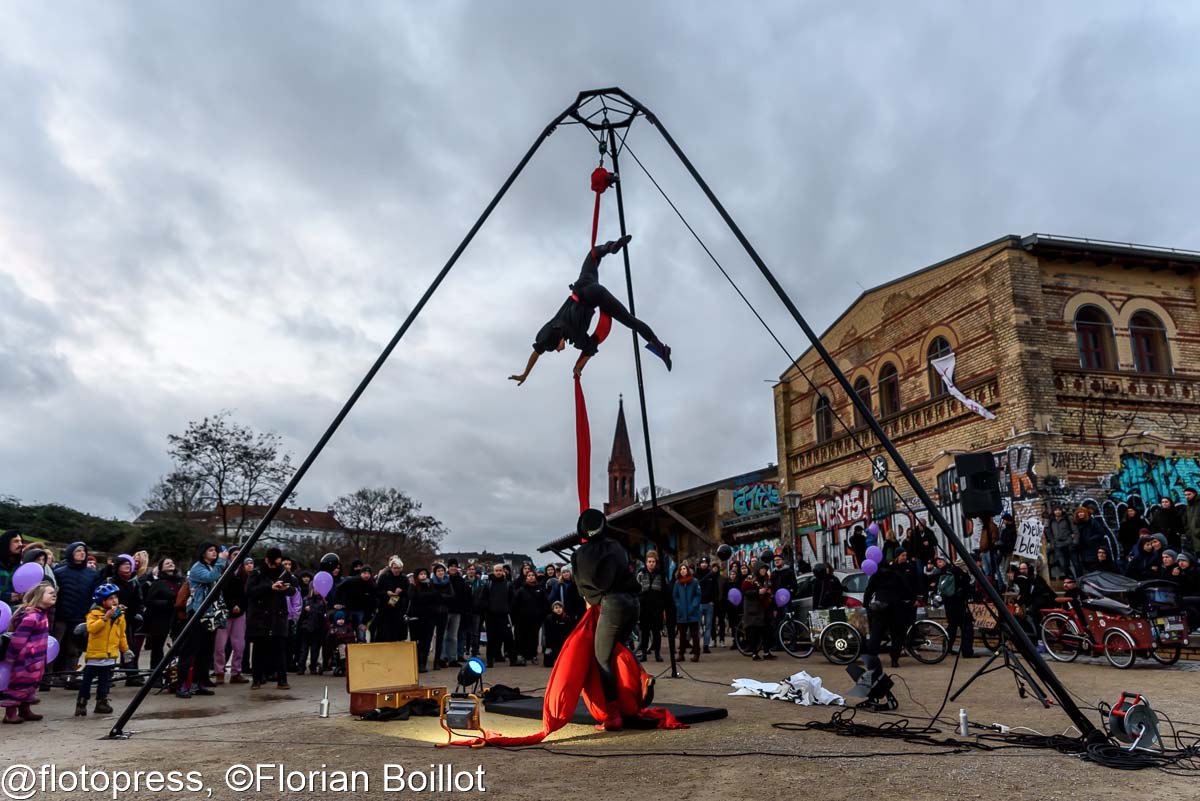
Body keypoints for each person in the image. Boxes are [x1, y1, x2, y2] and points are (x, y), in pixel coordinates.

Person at [509, 236, 672, 384]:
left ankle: (661, 349)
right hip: (585, 285)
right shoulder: (571, 335)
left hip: (594, 296)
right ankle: (609, 247)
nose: (558, 351)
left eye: (556, 348)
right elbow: (540, 351)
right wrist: (578, 367)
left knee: (630, 320)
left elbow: (540, 350)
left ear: (556, 338)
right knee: (593, 255)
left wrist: (526, 374)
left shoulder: (573, 336)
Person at [571, 512, 642, 731]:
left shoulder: (581, 555)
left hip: (612, 605)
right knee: (618, 651)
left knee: (602, 658)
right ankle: (631, 696)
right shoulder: (616, 547)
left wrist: (590, 599)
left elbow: (586, 587)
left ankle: (613, 715)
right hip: (633, 603)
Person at [176, 542, 225, 699]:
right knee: (190, 650)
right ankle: (182, 684)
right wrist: (221, 561)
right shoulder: (198, 568)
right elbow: (211, 578)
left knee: (205, 650)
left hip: (211, 614)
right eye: (210, 550)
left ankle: (199, 683)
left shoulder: (213, 566)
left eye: (215, 551)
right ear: (202, 552)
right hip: (197, 613)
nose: (214, 553)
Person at [2, 583, 55, 724]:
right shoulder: (32, 617)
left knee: (31, 684)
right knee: (19, 685)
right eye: (50, 593)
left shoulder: (42, 615)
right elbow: (18, 639)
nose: (54, 594)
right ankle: (10, 713)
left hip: (36, 658)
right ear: (38, 596)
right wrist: (11, 657)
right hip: (25, 659)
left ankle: (25, 710)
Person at [244, 548, 296, 690]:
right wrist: (269, 587)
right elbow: (249, 591)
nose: (276, 566)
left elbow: (293, 590)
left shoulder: (284, 572)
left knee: (280, 649)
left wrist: (286, 588)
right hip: (260, 616)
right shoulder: (257, 573)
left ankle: (282, 679)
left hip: (278, 615)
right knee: (259, 649)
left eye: (278, 563)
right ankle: (257, 679)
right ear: (267, 560)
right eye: (273, 564)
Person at [77, 583, 132, 717]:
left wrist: (125, 650)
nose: (114, 601)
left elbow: (121, 634)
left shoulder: (120, 615)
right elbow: (92, 629)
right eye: (110, 598)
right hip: (95, 654)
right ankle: (82, 702)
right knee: (87, 680)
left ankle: (102, 702)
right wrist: (105, 618)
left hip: (110, 655)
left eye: (115, 598)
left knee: (105, 681)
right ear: (103, 601)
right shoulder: (94, 614)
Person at [863, 556, 917, 668]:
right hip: (896, 607)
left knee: (876, 634)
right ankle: (894, 660)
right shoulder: (896, 575)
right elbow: (907, 589)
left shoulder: (876, 576)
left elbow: (868, 591)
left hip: (880, 607)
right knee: (897, 634)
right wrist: (910, 601)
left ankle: (872, 659)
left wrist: (866, 605)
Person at [141, 557, 182, 685]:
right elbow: (149, 601)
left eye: (172, 562)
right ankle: (155, 676)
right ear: (161, 568)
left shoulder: (181, 582)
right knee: (157, 649)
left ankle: (175, 676)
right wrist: (168, 603)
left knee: (178, 648)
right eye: (167, 563)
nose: (171, 564)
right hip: (160, 619)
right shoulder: (158, 583)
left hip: (177, 619)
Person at [930, 556, 974, 658]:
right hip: (959, 603)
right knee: (967, 627)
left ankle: (947, 648)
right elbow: (966, 587)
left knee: (952, 626)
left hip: (948, 604)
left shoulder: (945, 572)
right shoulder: (959, 572)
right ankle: (967, 652)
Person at [476, 564, 516, 670]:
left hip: (504, 615)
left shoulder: (508, 584)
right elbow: (482, 599)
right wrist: (488, 608)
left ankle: (513, 660)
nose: (498, 572)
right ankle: (490, 660)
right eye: (496, 570)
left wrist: (508, 608)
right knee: (491, 639)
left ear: (503, 571)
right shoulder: (488, 584)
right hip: (491, 616)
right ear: (493, 571)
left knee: (509, 637)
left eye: (500, 570)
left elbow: (513, 599)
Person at [634, 551, 667, 662]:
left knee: (656, 632)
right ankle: (644, 654)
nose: (651, 563)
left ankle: (657, 654)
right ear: (646, 563)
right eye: (649, 561)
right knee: (644, 633)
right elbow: (636, 591)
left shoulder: (661, 575)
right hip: (644, 609)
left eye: (653, 561)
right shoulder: (641, 574)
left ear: (656, 562)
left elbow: (665, 592)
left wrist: (663, 607)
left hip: (657, 609)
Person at [511, 571, 549, 665]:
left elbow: (545, 604)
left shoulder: (540, 590)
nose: (531, 577)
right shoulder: (521, 590)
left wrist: (541, 615)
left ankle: (533, 655)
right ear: (526, 578)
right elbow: (514, 605)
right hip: (522, 619)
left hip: (535, 619)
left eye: (532, 575)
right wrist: (516, 618)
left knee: (533, 638)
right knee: (521, 638)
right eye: (529, 576)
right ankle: (522, 655)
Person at [739, 561, 774, 660]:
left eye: (765, 569)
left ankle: (767, 652)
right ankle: (754, 653)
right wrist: (757, 592)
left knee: (767, 631)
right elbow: (746, 591)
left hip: (765, 609)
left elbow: (770, 589)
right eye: (762, 569)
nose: (763, 571)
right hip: (753, 610)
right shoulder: (750, 579)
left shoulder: (767, 580)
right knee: (754, 633)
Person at [373, 557, 409, 643]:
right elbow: (377, 592)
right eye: (394, 568)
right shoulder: (384, 577)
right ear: (391, 568)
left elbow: (408, 593)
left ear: (401, 568)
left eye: (398, 568)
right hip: (385, 609)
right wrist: (387, 593)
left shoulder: (404, 578)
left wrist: (401, 591)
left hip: (398, 609)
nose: (396, 570)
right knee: (384, 632)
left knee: (396, 632)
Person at [672, 562, 702, 662]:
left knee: (694, 635)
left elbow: (698, 595)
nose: (683, 571)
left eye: (684, 569)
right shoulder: (677, 583)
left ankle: (696, 653)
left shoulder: (694, 582)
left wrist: (693, 606)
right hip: (681, 614)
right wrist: (679, 606)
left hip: (693, 613)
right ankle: (681, 654)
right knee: (682, 635)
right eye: (681, 569)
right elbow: (675, 596)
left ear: (687, 570)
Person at [443, 560, 470, 667]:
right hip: (445, 611)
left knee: (453, 636)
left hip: (457, 611)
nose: (453, 568)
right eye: (451, 566)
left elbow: (464, 596)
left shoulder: (461, 580)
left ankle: (453, 658)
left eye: (455, 566)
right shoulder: (444, 579)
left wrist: (464, 609)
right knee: (444, 635)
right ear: (448, 568)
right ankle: (443, 657)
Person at [299, 585, 328, 675]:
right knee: (304, 649)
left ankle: (313, 667)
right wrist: (304, 610)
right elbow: (300, 615)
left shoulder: (323, 602)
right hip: (305, 627)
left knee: (315, 649)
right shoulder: (305, 600)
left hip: (317, 628)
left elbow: (324, 616)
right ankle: (301, 667)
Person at [1048, 508, 1080, 579]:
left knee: (1076, 564)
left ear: (1062, 511)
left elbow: (1075, 531)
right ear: (1053, 511)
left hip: (1069, 545)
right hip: (1058, 546)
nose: (1057, 511)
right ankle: (1071, 580)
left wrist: (1075, 542)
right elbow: (1050, 533)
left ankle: (1080, 580)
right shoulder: (1051, 521)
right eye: (1056, 510)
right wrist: (1053, 543)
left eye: (1059, 510)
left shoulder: (1068, 519)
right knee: (1063, 565)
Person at [695, 556, 718, 654]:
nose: (704, 564)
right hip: (699, 604)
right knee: (697, 626)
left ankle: (706, 646)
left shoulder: (711, 575)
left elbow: (716, 589)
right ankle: (696, 646)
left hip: (709, 604)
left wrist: (713, 600)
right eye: (702, 562)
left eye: (705, 563)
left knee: (708, 626)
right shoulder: (696, 575)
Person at [542, 601, 572, 669]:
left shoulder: (566, 618)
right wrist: (548, 646)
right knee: (548, 664)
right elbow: (547, 634)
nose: (558, 609)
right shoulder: (549, 619)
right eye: (556, 608)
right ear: (553, 609)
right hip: (552, 643)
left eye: (560, 607)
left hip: (562, 643)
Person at [1184, 489, 1200, 556]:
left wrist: (1198, 531)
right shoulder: (1188, 506)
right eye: (1185, 495)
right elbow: (1187, 521)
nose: (1187, 497)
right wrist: (1188, 532)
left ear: (1195, 494)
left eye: (1189, 494)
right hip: (1193, 539)